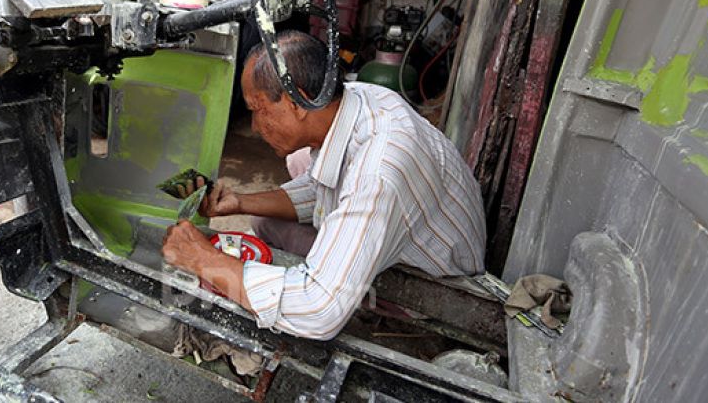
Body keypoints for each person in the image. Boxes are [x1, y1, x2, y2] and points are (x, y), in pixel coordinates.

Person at [162, 30, 486, 340]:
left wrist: (203, 260)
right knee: (270, 209)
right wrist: (240, 201)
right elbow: (321, 189)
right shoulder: (356, 99)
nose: (256, 127)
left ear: (297, 101)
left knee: (302, 292)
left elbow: (319, 311)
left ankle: (365, 304)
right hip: (409, 238)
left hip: (435, 286)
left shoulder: (378, 171)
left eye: (259, 111)